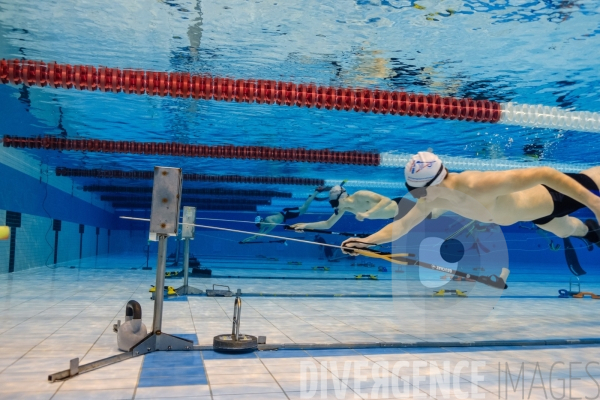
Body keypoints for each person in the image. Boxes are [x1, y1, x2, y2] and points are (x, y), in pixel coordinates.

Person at [341, 151, 600, 253]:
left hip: (553, 196)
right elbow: (400, 226)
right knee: (569, 230)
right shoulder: (432, 199)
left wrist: (593, 203)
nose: (417, 196)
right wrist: (365, 242)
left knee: (594, 177)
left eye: (418, 190)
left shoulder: (476, 184)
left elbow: (545, 173)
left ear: (435, 184)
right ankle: (592, 231)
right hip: (536, 215)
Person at [290, 184, 439, 232]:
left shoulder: (360, 195)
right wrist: (305, 225)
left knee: (434, 213)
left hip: (401, 205)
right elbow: (328, 224)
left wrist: (368, 214)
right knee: (432, 214)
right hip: (395, 216)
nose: (334, 206)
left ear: (342, 197)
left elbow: (386, 200)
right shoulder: (344, 209)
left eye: (334, 203)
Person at [241, 187, 325, 243]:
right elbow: (257, 235)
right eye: (259, 226)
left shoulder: (268, 221)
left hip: (287, 213)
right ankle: (311, 197)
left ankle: (315, 192)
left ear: (261, 221)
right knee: (304, 210)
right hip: (286, 215)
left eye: (259, 225)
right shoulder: (264, 225)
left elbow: (270, 227)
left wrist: (263, 233)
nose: (260, 227)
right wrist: (246, 240)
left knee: (304, 208)